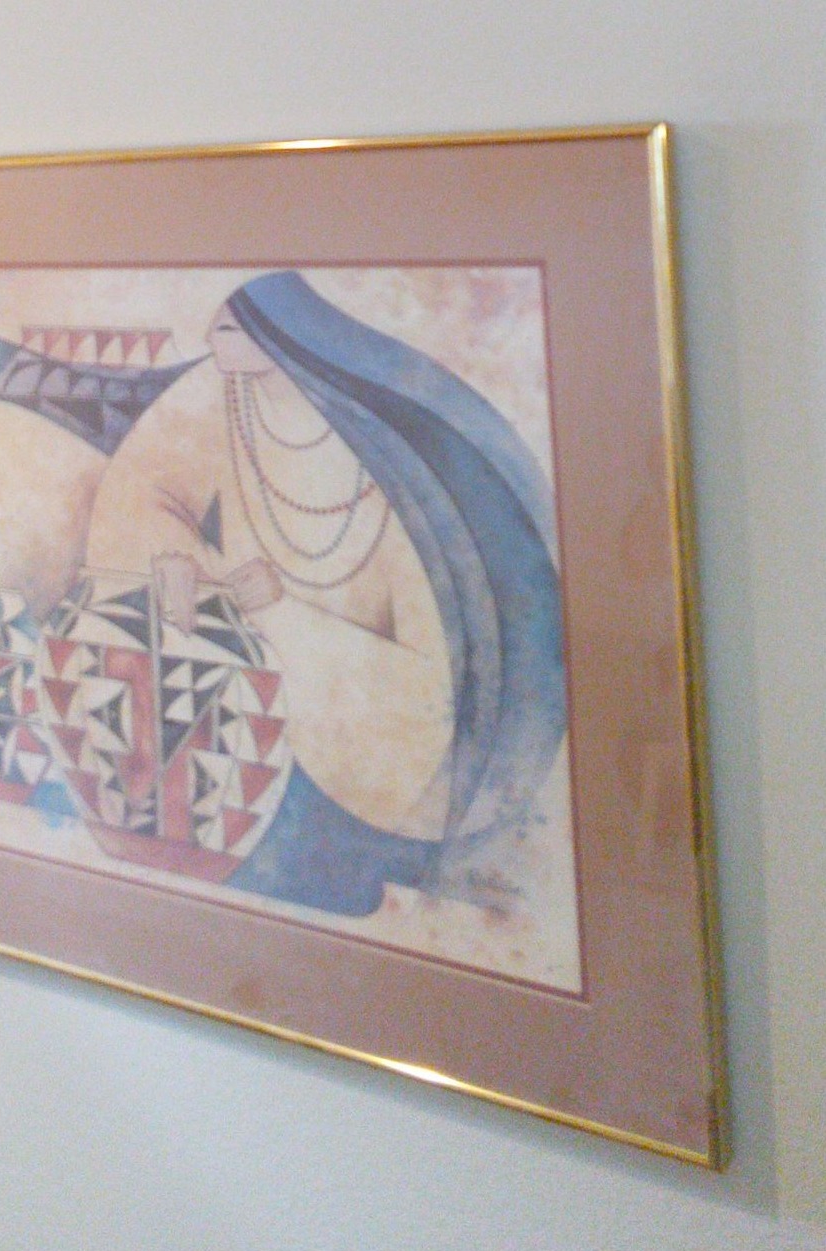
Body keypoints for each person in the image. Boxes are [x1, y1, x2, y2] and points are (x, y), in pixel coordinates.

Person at [83, 271, 566, 916]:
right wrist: (181, 561)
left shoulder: (394, 436)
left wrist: (283, 614)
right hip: (261, 719)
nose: (212, 330)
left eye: (233, 319)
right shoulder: (224, 392)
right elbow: (138, 496)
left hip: (385, 760)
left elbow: (434, 692)